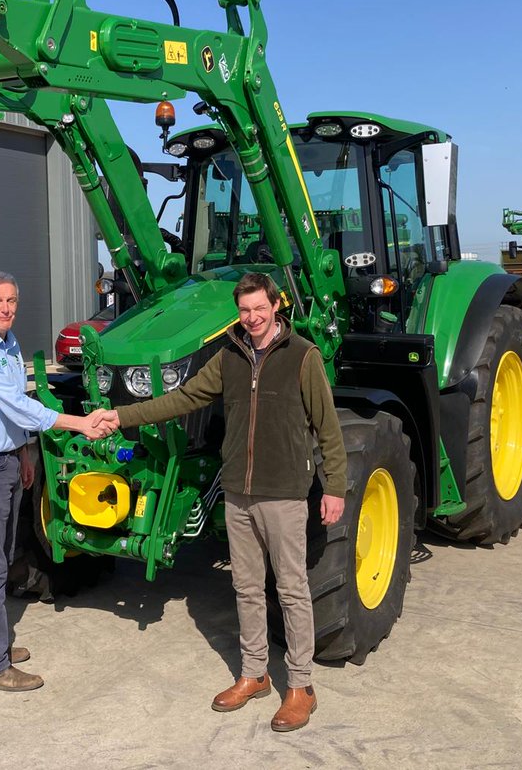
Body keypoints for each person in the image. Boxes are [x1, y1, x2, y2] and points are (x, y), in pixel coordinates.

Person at [91, 272, 347, 732]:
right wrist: (121, 415)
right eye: (244, 311)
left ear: (275, 306)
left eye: (259, 309)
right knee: (246, 588)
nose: (252, 318)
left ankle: (302, 687)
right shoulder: (229, 356)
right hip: (239, 493)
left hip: (285, 492)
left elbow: (327, 428)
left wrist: (334, 487)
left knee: (290, 590)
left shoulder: (303, 356)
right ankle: (254, 674)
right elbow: (184, 399)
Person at [0, 271, 108, 692]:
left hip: (6, 462)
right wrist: (79, 424)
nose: (6, 308)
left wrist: (23, 453)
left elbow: (12, 405)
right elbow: (16, 405)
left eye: (12, 300)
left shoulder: (7, 343)